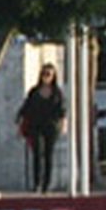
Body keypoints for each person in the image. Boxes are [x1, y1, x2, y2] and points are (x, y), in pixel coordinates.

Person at [16, 63, 67, 193]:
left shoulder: (57, 93)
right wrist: (20, 121)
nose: (46, 77)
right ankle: (37, 183)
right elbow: (26, 108)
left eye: (49, 74)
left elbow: (62, 110)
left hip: (51, 126)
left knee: (49, 154)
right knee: (37, 153)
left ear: (53, 76)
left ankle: (46, 184)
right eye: (44, 74)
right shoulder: (34, 92)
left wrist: (63, 124)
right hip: (35, 125)